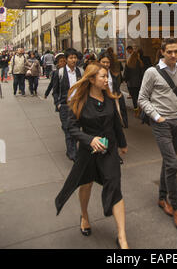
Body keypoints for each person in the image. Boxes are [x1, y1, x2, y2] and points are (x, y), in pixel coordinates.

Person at [54, 64, 129, 249]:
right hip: (88, 152)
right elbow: (71, 128)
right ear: (92, 79)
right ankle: (85, 217)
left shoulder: (110, 99)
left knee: (115, 184)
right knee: (85, 184)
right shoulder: (80, 100)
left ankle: (122, 237)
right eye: (103, 77)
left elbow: (116, 124)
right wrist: (89, 140)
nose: (106, 80)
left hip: (109, 150)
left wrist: (122, 143)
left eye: (107, 77)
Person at [138, 38, 177, 233]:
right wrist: (157, 117)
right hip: (161, 124)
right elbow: (142, 98)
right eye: (169, 52)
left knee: (169, 162)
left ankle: (161, 197)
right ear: (162, 52)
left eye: (176, 51)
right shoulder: (151, 72)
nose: (173, 55)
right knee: (173, 164)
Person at [52, 48, 82, 161]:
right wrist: (58, 104)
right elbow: (55, 91)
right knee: (68, 130)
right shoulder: (59, 73)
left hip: (78, 105)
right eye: (71, 58)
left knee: (76, 129)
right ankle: (72, 153)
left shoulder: (80, 72)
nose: (73, 60)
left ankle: (71, 149)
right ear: (66, 59)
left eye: (75, 58)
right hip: (65, 106)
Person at [99, 51, 128, 128]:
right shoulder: (95, 74)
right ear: (99, 61)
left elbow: (116, 87)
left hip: (112, 100)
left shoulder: (113, 73)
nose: (106, 64)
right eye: (103, 62)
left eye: (108, 62)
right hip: (101, 102)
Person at [123, 49, 144, 116]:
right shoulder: (140, 63)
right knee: (139, 96)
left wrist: (126, 80)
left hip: (131, 83)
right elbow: (142, 73)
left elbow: (126, 74)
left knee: (134, 98)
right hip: (139, 83)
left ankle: (136, 110)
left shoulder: (128, 63)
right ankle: (140, 108)